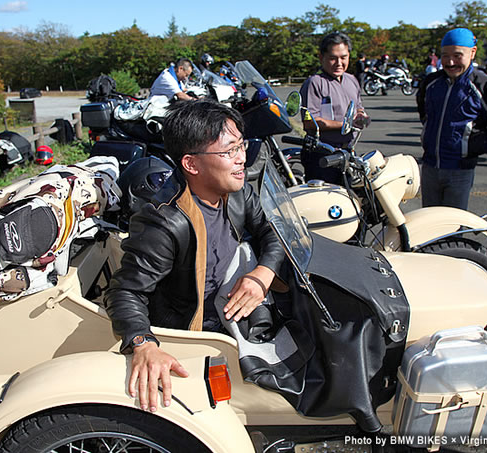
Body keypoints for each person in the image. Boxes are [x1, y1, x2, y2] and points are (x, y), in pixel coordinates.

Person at [104, 99, 285, 413]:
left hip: (237, 304)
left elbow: (274, 231)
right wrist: (142, 343)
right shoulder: (163, 222)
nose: (242, 159)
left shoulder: (237, 189)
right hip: (199, 331)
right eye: (229, 152)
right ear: (191, 164)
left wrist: (262, 274)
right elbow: (124, 291)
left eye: (241, 146)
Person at [416, 28, 487, 210]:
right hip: (429, 167)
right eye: (445, 56)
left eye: (458, 55)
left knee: (452, 227)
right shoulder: (431, 83)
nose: (450, 62)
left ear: (472, 52)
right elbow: (424, 113)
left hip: (460, 171)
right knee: (428, 224)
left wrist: (472, 150)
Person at [299, 31, 368, 184]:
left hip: (347, 152)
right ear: (321, 57)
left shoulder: (352, 80)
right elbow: (310, 122)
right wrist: (345, 125)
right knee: (325, 203)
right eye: (332, 58)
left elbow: (358, 107)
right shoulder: (314, 83)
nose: (339, 63)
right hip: (321, 155)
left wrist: (361, 115)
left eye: (343, 58)